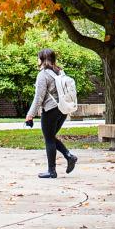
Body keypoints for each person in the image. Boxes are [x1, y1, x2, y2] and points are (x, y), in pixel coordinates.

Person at [24, 49, 79, 178]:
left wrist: (30, 114)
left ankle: (52, 171)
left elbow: (39, 97)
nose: (37, 60)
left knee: (49, 138)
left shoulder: (43, 75)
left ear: (43, 59)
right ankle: (69, 156)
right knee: (51, 137)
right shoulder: (59, 72)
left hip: (50, 110)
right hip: (62, 109)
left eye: (38, 57)